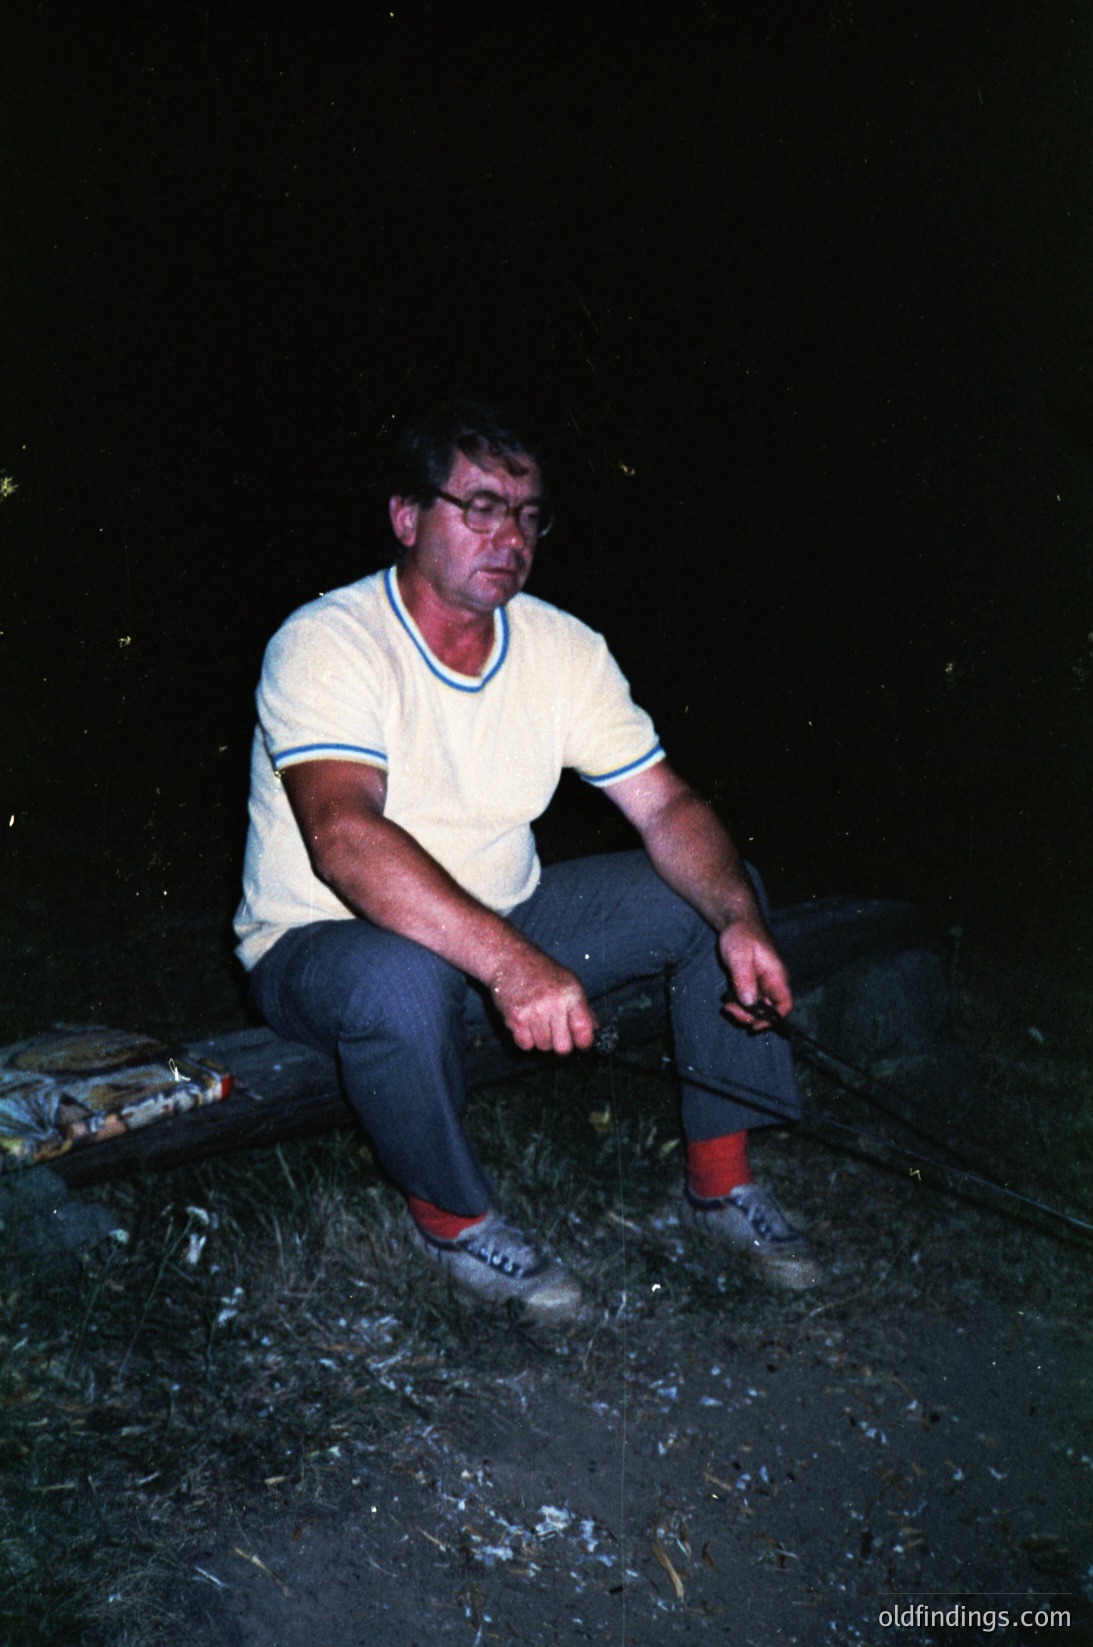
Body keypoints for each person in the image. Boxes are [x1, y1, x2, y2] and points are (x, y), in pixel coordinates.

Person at [235, 399, 819, 1322]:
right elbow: (345, 840)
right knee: (397, 979)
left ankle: (721, 1179)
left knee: (718, 895)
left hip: (505, 911)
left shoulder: (562, 648)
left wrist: (741, 922)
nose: (508, 534)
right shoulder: (328, 640)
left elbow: (665, 803)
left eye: (527, 512)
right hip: (325, 942)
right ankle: (454, 1217)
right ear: (406, 516)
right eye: (478, 506)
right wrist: (511, 966)